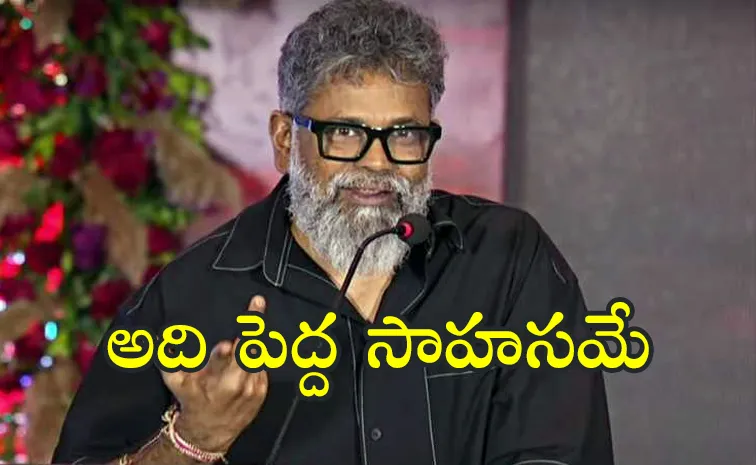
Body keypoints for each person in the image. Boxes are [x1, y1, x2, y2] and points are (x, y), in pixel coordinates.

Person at [52, 0, 614, 464]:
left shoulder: (509, 261)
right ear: (284, 140)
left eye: (405, 135)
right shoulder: (188, 299)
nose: (378, 163)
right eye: (344, 133)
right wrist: (192, 442)